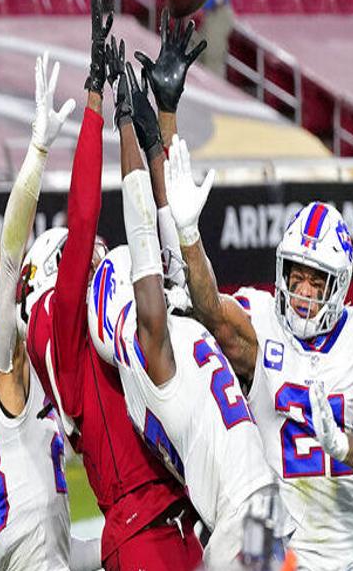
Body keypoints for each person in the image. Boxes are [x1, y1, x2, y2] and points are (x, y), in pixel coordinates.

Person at [18, 0, 204, 571]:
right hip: (144, 533)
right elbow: (83, 217)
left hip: (183, 520)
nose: (100, 256)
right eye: (85, 256)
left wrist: (160, 128)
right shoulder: (62, 326)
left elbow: (168, 256)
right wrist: (94, 98)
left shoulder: (96, 317)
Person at [86, 48, 290, 570]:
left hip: (248, 517)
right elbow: (146, 240)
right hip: (249, 520)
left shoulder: (157, 355)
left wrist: (157, 126)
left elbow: (168, 229)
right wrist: (127, 127)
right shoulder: (155, 354)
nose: (149, 284)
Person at [164, 146, 353, 570]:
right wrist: (188, 234)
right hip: (268, 540)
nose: (303, 293)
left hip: (338, 556)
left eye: (317, 281)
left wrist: (340, 443)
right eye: (297, 274)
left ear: (339, 286)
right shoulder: (263, 323)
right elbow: (211, 311)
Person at [0, 53, 102, 571]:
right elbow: (12, 254)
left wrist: (135, 528)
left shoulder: (16, 394)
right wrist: (38, 152)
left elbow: (60, 553)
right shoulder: (2, 372)